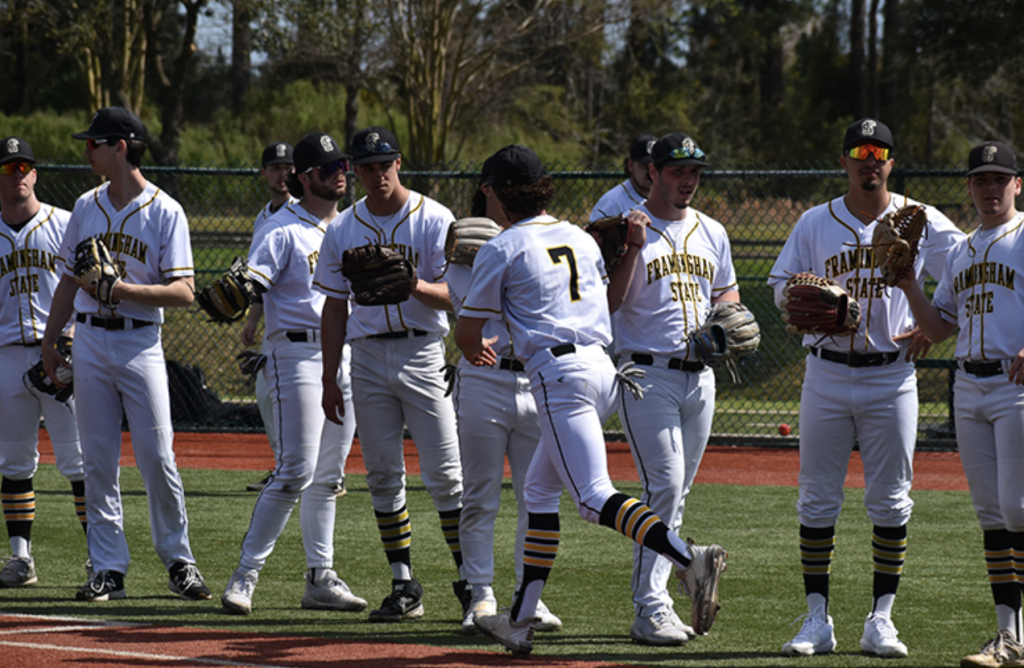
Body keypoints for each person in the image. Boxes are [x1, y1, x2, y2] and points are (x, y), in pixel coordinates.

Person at [455, 144, 727, 656]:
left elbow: (468, 334)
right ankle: (520, 617)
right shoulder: (578, 236)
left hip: (560, 377)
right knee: (537, 493)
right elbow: (606, 301)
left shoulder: (502, 246)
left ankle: (688, 557)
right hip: (603, 368)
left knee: (591, 498)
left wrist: (476, 350)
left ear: (493, 190)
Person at [767, 117, 964, 657]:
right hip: (826, 373)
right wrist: (809, 307)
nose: (869, 159)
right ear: (844, 161)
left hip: (893, 375)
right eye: (860, 150)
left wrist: (934, 317)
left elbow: (970, 264)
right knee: (817, 498)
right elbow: (782, 287)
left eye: (880, 152)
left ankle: (881, 619)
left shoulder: (920, 218)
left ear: (891, 163)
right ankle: (816, 619)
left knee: (891, 500)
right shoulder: (814, 221)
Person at [40, 106, 211, 602]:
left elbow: (184, 292)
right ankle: (109, 567)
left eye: (94, 142)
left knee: (158, 456)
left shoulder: (165, 210)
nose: (86, 149)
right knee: (97, 459)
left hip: (140, 341)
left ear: (120, 146)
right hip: (90, 339)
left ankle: (179, 561)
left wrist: (122, 289)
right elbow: (69, 282)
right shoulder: (85, 205)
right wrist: (53, 341)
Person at [315, 126, 466, 622]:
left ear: (399, 163)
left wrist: (415, 284)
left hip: (423, 353)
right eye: (366, 166)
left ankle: (471, 582)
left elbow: (458, 297)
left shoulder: (434, 218)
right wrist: (328, 375)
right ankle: (404, 586)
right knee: (383, 475)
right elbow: (334, 308)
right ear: (352, 171)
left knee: (446, 476)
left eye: (384, 164)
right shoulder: (342, 228)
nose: (377, 174)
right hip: (366, 359)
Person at [221, 132, 366, 615]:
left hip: (347, 356)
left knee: (329, 476)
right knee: (294, 472)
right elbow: (252, 283)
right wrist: (240, 295)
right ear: (305, 178)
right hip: (297, 355)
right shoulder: (281, 229)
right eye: (329, 167)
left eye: (342, 164)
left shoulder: (351, 225)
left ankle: (320, 578)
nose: (340, 172)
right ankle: (245, 576)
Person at [892, 142, 1024, 668]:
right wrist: (907, 285)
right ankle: (1008, 636)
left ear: (1018, 184)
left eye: (1000, 179)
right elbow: (940, 325)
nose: (990, 188)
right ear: (968, 187)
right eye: (981, 180)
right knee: (991, 514)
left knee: (1017, 508)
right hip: (967, 386)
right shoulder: (962, 250)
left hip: (1016, 385)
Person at [606, 132, 739, 645]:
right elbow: (609, 302)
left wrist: (729, 315)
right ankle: (649, 606)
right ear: (653, 172)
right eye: (679, 171)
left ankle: (659, 597)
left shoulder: (714, 231)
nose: (688, 180)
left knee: (676, 493)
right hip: (645, 373)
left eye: (695, 172)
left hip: (700, 375)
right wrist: (632, 250)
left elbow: (727, 290)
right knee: (662, 485)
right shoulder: (626, 229)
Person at [445, 156, 561, 634]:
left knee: (538, 498)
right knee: (480, 495)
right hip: (483, 378)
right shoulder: (464, 242)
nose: (519, 191)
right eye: (511, 184)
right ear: (489, 188)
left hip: (536, 374)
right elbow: (460, 312)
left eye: (526, 183)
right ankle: (481, 595)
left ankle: (528, 596)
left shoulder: (544, 238)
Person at [0, 136, 88, 587]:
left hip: (60, 354)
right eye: (8, 168)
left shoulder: (66, 225)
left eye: (24, 167)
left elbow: (89, 287)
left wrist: (71, 338)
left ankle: (101, 560)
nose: (17, 174)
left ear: (35, 174)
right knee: (14, 463)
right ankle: (21, 560)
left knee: (79, 462)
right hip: (7, 357)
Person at [242, 141, 296, 493]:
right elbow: (261, 280)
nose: (283, 173)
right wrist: (251, 319)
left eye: (288, 167)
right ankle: (283, 466)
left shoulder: (304, 210)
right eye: (275, 167)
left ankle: (327, 473)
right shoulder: (264, 216)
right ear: (263, 173)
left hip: (306, 322)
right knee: (266, 393)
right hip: (274, 325)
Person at [589, 134, 657, 221]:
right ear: (630, 165)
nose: (650, 172)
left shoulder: (668, 200)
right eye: (643, 166)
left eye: (655, 166)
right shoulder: (611, 203)